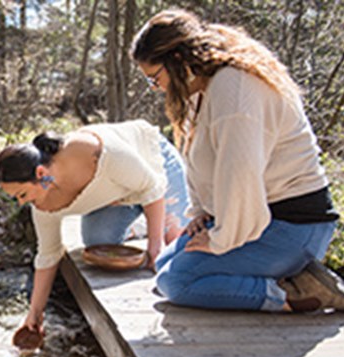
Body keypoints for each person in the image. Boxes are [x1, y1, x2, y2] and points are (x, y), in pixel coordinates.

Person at [130, 9, 342, 312]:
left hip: (290, 226)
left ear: (177, 59)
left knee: (176, 282)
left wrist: (222, 238)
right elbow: (204, 160)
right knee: (164, 263)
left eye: (155, 78)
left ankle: (296, 293)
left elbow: (241, 175)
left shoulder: (234, 90)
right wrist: (203, 212)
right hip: (256, 218)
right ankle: (287, 274)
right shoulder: (204, 88)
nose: (157, 88)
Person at [0, 119, 190, 334]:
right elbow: (48, 256)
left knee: (174, 246)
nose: (22, 203)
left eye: (22, 194)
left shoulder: (99, 152)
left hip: (154, 167)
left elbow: (152, 188)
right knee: (98, 242)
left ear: (40, 174)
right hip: (118, 193)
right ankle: (140, 223)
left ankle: (155, 223)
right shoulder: (42, 203)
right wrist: (35, 312)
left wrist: (155, 248)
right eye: (16, 198)